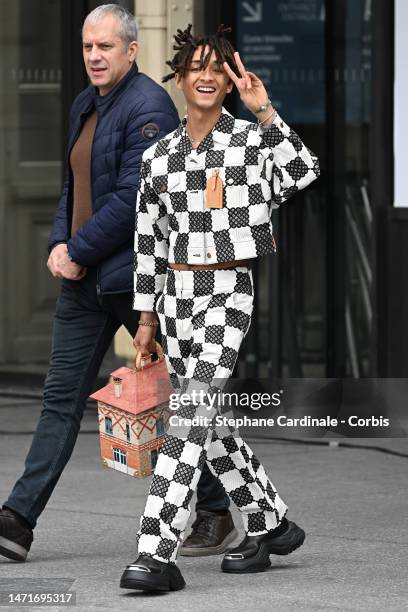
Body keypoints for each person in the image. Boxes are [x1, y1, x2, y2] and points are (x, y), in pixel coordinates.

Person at [0, 6, 233, 564]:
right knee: (59, 400)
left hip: (137, 280)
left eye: (106, 47)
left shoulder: (148, 105)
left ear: (131, 51)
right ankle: (17, 521)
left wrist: (78, 251)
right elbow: (71, 186)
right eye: (87, 48)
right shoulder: (86, 104)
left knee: (180, 396)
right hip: (86, 283)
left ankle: (218, 508)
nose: (95, 57)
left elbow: (133, 199)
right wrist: (61, 245)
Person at [119, 24, 320, 592]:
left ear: (229, 82)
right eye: (196, 67)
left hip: (229, 291)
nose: (207, 76)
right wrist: (146, 318)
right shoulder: (157, 156)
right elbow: (148, 242)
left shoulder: (250, 141)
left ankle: (154, 553)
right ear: (180, 77)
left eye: (218, 68)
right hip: (175, 299)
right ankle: (270, 522)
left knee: (188, 419)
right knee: (209, 420)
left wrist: (265, 111)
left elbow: (304, 171)